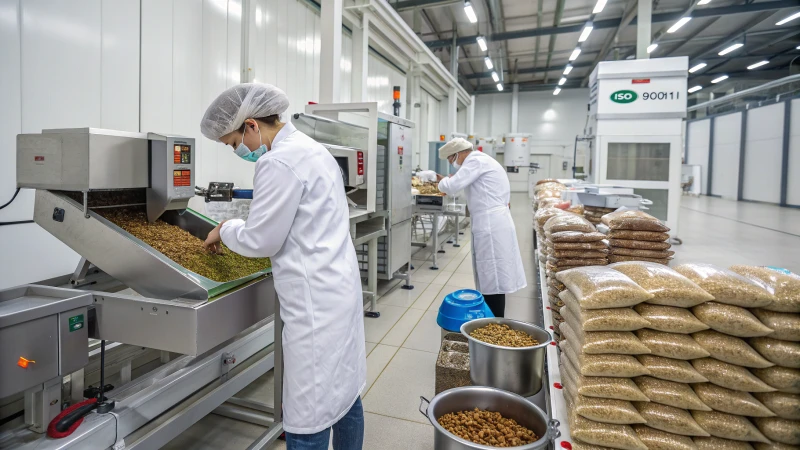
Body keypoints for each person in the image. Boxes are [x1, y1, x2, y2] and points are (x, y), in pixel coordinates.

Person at [200, 83, 366, 450]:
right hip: (339, 289)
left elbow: (261, 240)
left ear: (252, 125)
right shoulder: (312, 150)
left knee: (306, 415)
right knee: (344, 395)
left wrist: (224, 228)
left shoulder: (277, 161)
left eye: (233, 142)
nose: (237, 150)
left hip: (315, 307)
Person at [436, 138, 527, 317]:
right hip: (491, 221)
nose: (452, 164)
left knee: (493, 274)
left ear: (458, 154)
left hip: (491, 225)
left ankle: (495, 322)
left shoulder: (474, 161)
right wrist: (450, 180)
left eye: (450, 159)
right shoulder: (481, 161)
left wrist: (440, 182)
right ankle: (493, 318)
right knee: (491, 273)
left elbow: (451, 186)